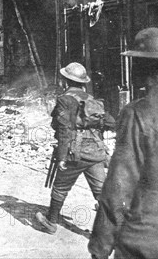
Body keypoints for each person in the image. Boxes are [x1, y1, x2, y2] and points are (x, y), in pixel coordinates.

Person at [89, 28, 158, 259]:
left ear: (142, 68)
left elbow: (119, 190)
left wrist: (99, 248)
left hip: (145, 245)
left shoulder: (137, 113)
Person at [36, 62, 115, 234]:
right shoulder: (92, 100)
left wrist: (62, 157)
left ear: (65, 81)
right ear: (83, 82)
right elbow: (110, 122)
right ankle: (111, 231)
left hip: (75, 153)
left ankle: (51, 222)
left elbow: (63, 129)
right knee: (101, 191)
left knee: (60, 187)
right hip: (96, 152)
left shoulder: (65, 100)